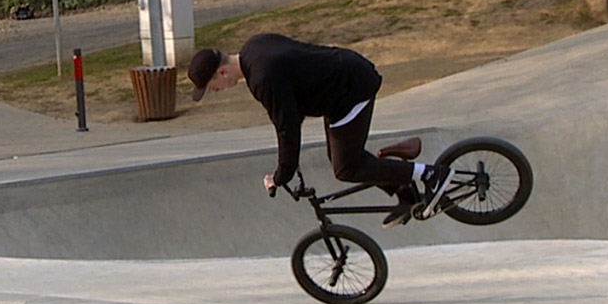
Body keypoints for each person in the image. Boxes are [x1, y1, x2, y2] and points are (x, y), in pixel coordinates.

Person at [187, 33, 455, 228]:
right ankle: (405, 192)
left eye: (212, 87)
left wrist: (281, 176)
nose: (214, 92)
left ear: (221, 72)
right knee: (341, 159)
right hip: (341, 85)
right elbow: (294, 100)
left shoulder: (262, 79)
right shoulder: (255, 47)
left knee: (347, 168)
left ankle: (430, 174)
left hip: (351, 90)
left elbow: (287, 129)